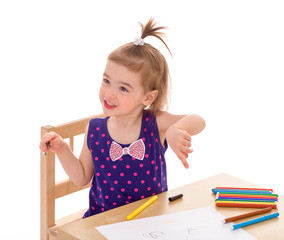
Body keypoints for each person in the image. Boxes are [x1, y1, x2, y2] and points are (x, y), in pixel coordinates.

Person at [39, 18, 206, 218]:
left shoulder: (155, 123)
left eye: (123, 88)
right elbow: (82, 177)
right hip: (103, 221)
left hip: (152, 221)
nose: (109, 93)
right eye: (106, 81)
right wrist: (62, 149)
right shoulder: (95, 129)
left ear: (147, 97)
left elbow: (198, 120)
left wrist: (174, 130)